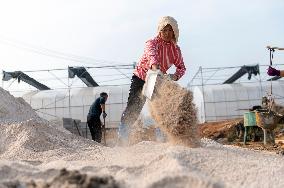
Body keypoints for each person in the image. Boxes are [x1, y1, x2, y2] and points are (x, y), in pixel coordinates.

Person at [119, 16, 186, 132]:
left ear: (175, 32)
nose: (168, 33)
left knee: (160, 108)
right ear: (160, 30)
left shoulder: (175, 50)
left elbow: (182, 68)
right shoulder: (152, 43)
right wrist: (156, 69)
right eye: (165, 30)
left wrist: (174, 76)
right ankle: (123, 135)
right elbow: (152, 57)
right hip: (141, 77)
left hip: (156, 80)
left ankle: (162, 136)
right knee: (134, 108)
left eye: (171, 30)